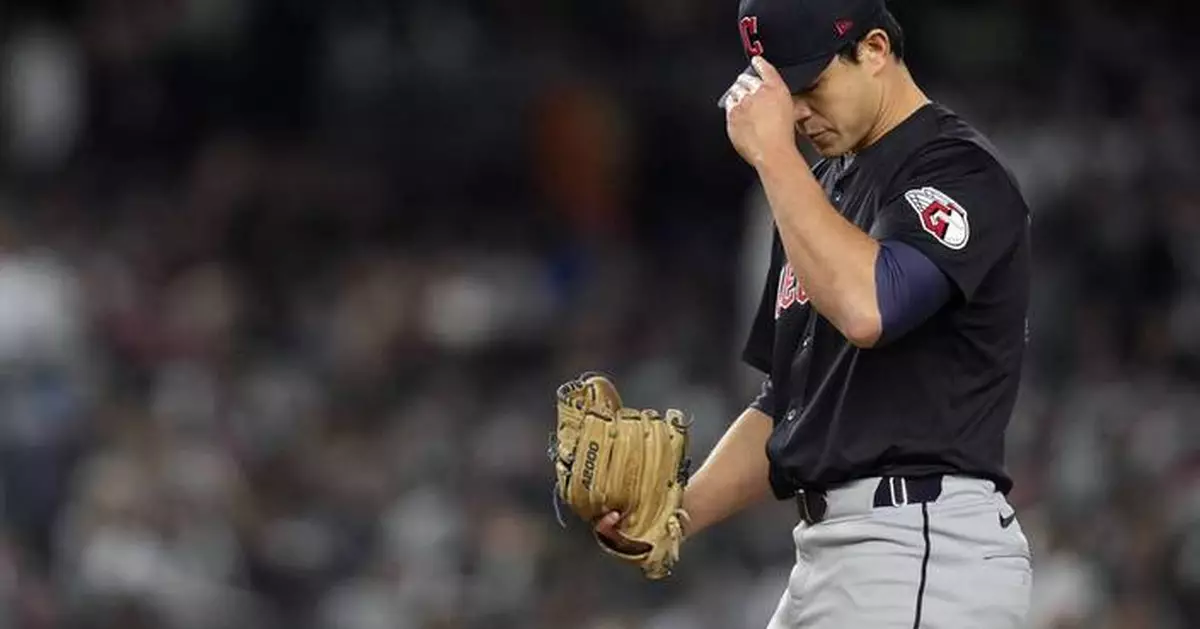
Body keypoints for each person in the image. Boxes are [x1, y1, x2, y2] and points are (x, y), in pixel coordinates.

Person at [595, 0, 1035, 626]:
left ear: (876, 50)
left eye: (810, 84)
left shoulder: (961, 169)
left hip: (920, 548)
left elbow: (870, 307)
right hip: (836, 558)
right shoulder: (820, 191)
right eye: (783, 93)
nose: (797, 114)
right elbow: (788, 406)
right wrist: (675, 512)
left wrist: (774, 157)